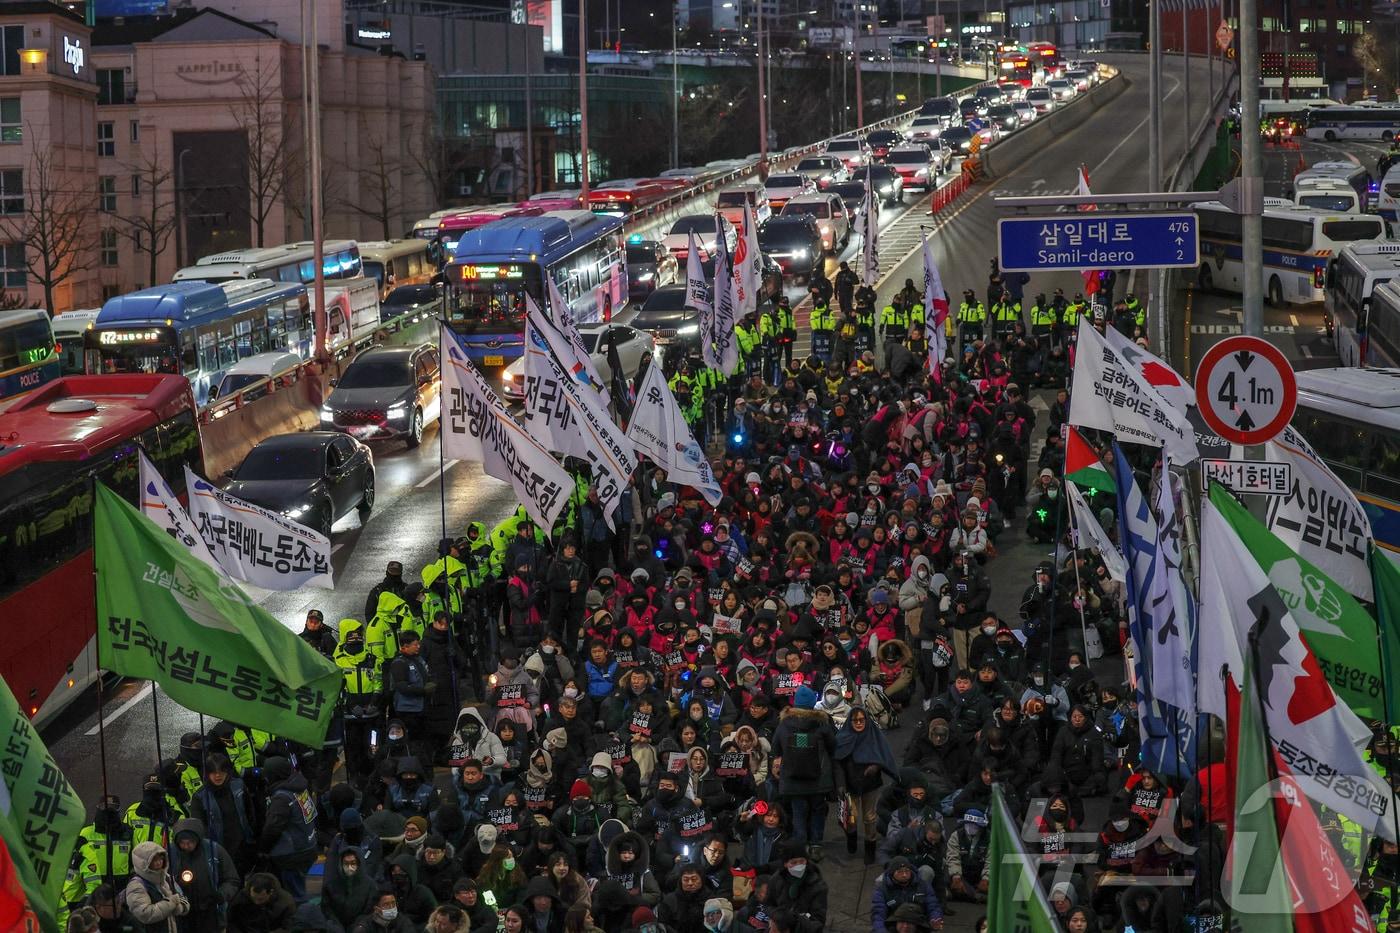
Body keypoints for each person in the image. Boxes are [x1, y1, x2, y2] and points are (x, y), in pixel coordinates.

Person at [770, 685, 837, 857]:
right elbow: (833, 746)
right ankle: (816, 845)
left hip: (793, 779)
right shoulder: (822, 722)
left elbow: (775, 748)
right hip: (818, 779)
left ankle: (801, 846)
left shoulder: (784, 724)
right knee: (817, 810)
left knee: (798, 811)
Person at [834, 706, 899, 864]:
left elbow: (883, 756)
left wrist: (876, 766)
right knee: (851, 818)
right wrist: (840, 785)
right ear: (850, 721)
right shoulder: (842, 738)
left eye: (861, 720)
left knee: (870, 817)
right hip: (850, 785)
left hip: (870, 784)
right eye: (855, 720)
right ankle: (852, 836)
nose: (858, 723)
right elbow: (838, 763)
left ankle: (870, 846)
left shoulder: (874, 736)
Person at [167, 818, 239, 932]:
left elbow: (232, 879)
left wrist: (221, 894)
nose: (186, 846)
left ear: (197, 840)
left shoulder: (214, 851)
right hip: (181, 914)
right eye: (182, 843)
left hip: (210, 912)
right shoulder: (169, 854)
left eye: (190, 842)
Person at [124, 842, 189, 933]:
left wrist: (181, 907)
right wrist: (171, 903)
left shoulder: (167, 877)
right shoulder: (137, 885)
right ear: (143, 863)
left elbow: (181, 896)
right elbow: (145, 914)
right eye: (154, 860)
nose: (159, 862)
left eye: (161, 859)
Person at [225, 873, 296, 932]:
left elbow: (288, 927)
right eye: (253, 898)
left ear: (271, 892)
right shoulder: (241, 897)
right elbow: (231, 921)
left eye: (260, 899)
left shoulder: (286, 902)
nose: (256, 902)